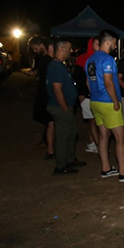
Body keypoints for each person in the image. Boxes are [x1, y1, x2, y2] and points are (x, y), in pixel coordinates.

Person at [86, 30, 124, 182]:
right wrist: (115, 101)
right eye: (114, 43)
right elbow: (108, 82)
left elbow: (88, 82)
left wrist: (95, 95)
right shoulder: (108, 59)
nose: (116, 46)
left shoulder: (90, 59)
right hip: (108, 102)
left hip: (95, 101)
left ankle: (106, 168)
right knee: (120, 137)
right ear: (108, 42)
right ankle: (123, 172)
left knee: (103, 136)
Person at [46, 38, 86, 175]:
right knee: (63, 137)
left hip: (65, 106)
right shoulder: (56, 66)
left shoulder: (59, 65)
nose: (71, 51)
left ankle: (69, 159)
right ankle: (61, 166)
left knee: (71, 133)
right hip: (60, 107)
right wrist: (65, 108)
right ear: (61, 48)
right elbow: (57, 90)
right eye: (69, 48)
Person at [28, 35, 55, 160]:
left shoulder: (48, 61)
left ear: (42, 45)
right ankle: (50, 148)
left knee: (50, 123)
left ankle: (49, 148)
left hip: (47, 96)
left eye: (35, 47)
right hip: (45, 96)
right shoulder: (44, 60)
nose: (35, 50)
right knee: (50, 122)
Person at [73, 37, 100, 154]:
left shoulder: (100, 57)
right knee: (92, 121)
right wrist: (81, 93)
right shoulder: (83, 58)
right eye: (96, 43)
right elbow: (78, 77)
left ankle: (91, 143)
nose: (98, 45)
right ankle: (98, 145)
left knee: (95, 121)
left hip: (97, 95)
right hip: (87, 95)